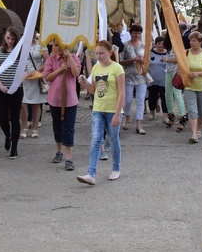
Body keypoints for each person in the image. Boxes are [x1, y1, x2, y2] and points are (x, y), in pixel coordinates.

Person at [76, 40, 124, 185]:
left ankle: (116, 168)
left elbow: (122, 93)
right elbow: (94, 91)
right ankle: (91, 173)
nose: (99, 56)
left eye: (102, 53)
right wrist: (85, 83)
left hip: (112, 110)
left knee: (113, 139)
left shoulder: (117, 68)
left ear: (109, 52)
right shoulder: (96, 68)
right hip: (98, 109)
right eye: (97, 53)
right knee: (96, 139)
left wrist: (117, 114)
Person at [43, 45, 81, 171]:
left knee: (69, 128)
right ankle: (59, 151)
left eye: (61, 45)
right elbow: (47, 77)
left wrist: (69, 57)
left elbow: (76, 73)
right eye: (57, 45)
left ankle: (68, 157)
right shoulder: (51, 59)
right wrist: (60, 69)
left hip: (69, 99)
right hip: (55, 99)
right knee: (57, 126)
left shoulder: (74, 58)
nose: (59, 48)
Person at [0, 26, 24, 159]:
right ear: (4, 38)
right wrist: (0, 85)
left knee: (15, 118)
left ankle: (14, 148)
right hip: (2, 89)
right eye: (8, 38)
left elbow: (26, 70)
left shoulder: (20, 51)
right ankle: (8, 135)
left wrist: (17, 85)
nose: (10, 41)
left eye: (12, 38)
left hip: (16, 89)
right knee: (2, 117)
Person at [182, 31, 202, 144]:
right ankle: (194, 134)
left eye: (194, 41)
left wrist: (197, 74)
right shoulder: (185, 53)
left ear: (200, 42)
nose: (191, 42)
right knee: (192, 110)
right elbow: (180, 67)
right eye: (190, 40)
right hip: (189, 86)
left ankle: (199, 128)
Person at [120, 23, 147, 134]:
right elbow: (120, 60)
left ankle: (139, 124)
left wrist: (142, 60)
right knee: (128, 100)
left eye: (139, 33)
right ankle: (127, 117)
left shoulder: (143, 45)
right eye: (135, 33)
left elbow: (147, 60)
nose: (137, 35)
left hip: (141, 76)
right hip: (128, 75)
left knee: (141, 100)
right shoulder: (125, 45)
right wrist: (131, 60)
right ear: (131, 33)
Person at [21, 31, 48, 139]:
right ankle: (24, 127)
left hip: (36, 76)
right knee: (23, 103)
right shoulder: (21, 44)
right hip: (24, 77)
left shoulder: (41, 44)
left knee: (36, 103)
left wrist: (37, 71)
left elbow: (47, 61)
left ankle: (35, 128)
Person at [162, 31, 187, 128]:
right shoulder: (169, 46)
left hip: (176, 71)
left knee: (176, 94)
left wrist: (166, 60)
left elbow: (178, 59)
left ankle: (182, 116)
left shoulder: (177, 46)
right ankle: (171, 115)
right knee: (168, 94)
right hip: (169, 70)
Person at [147, 36, 168, 122]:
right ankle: (151, 113)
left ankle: (165, 116)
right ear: (155, 44)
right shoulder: (150, 52)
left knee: (164, 98)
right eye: (159, 43)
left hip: (164, 80)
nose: (161, 45)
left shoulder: (168, 53)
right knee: (152, 97)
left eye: (162, 43)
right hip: (152, 80)